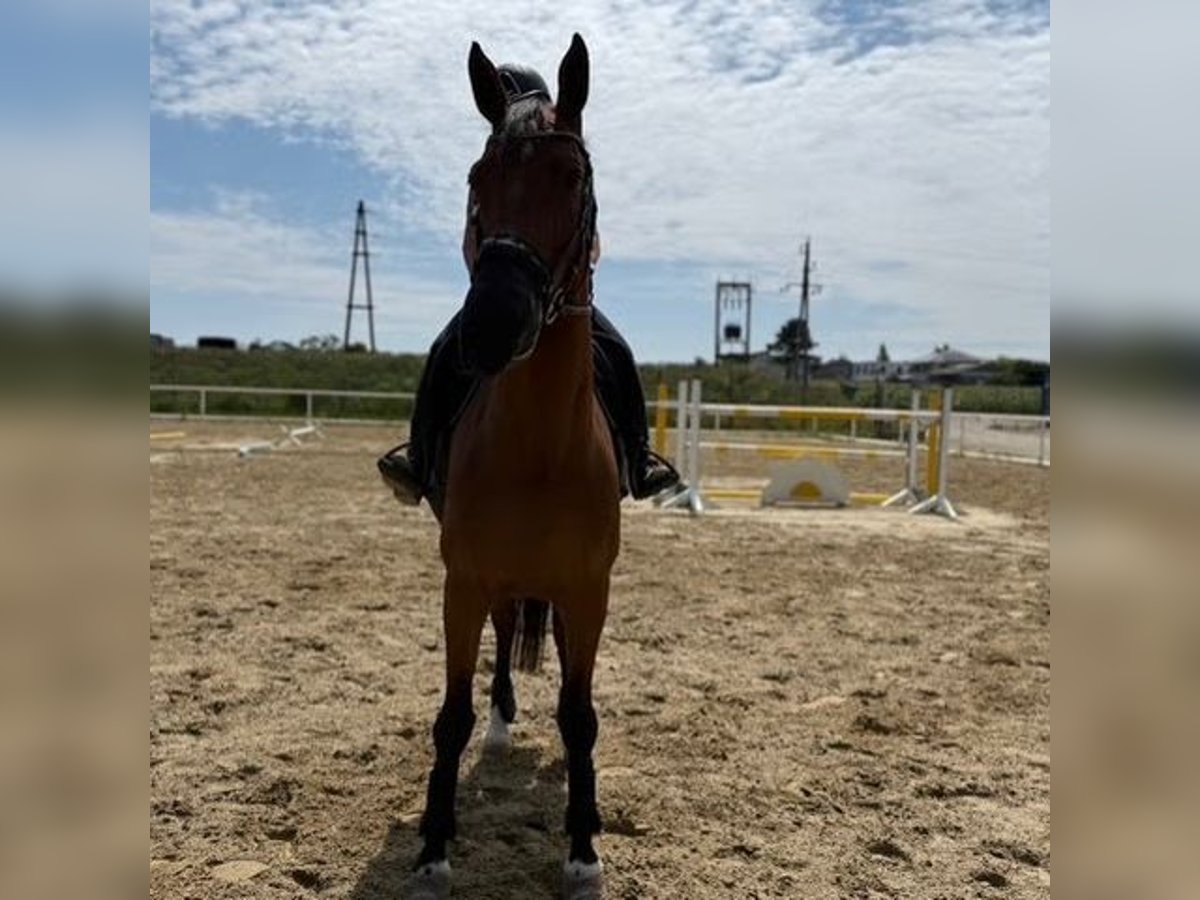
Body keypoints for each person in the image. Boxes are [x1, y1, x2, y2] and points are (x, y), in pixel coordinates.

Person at [378, 63, 679, 506]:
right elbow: (470, 239)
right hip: (501, 289)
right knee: (444, 352)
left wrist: (566, 279)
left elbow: (590, 239)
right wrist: (488, 281)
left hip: (559, 294)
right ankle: (420, 461)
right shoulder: (494, 169)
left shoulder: (562, 164)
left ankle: (637, 459)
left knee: (617, 353)